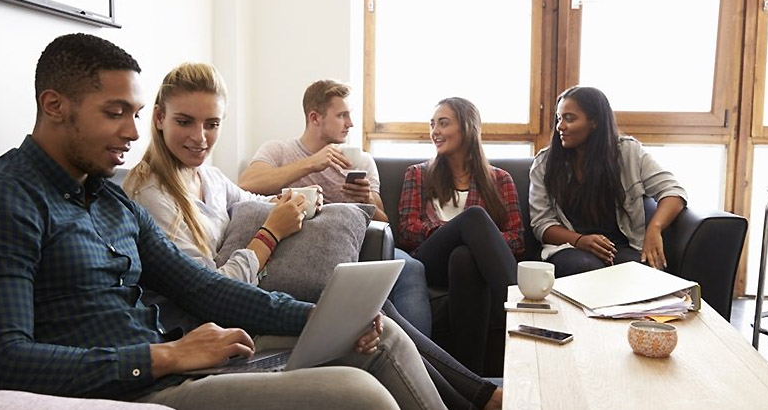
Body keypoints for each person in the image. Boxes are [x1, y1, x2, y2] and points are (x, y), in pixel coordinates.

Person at [0, 33, 446, 410]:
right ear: (54, 105)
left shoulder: (107, 200)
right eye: (115, 112)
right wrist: (164, 357)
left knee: (381, 339)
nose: (133, 132)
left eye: (135, 112)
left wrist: (319, 317)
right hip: (140, 386)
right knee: (355, 394)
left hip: (180, 367)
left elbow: (205, 288)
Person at [125, 63, 502, 410]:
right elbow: (210, 292)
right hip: (213, 331)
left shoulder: (208, 177)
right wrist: (271, 232)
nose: (200, 137)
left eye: (212, 124)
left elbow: (256, 200)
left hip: (246, 309)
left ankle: (479, 398)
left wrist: (297, 204)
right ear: (159, 118)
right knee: (378, 330)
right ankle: (481, 398)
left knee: (377, 315)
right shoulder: (153, 196)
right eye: (185, 122)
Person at [238, 79, 432, 337]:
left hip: (356, 246)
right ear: (315, 117)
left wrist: (366, 199)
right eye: (342, 115)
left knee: (410, 267)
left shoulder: (360, 160)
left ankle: (413, 358)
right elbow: (248, 184)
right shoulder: (278, 150)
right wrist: (311, 163)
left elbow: (384, 222)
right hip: (295, 248)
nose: (350, 124)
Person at [397, 97, 524, 376]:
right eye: (432, 125)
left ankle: (474, 383)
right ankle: (523, 309)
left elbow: (516, 239)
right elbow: (407, 229)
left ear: (468, 128)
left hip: (467, 267)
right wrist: (455, 231)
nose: (435, 132)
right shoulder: (418, 174)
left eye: (443, 123)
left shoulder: (500, 179)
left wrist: (475, 242)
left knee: (465, 257)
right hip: (431, 261)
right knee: (475, 218)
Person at [529, 86, 687, 278]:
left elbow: (672, 191)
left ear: (594, 121)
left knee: (643, 273)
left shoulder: (629, 152)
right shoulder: (544, 163)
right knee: (587, 269)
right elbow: (541, 224)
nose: (560, 126)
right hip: (569, 247)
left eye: (569, 118)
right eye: (559, 118)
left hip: (621, 246)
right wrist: (580, 240)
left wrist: (655, 228)